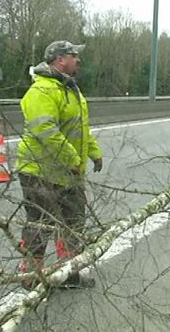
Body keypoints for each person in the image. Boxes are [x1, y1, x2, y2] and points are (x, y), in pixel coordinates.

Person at [15, 40, 103, 290]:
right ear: (60, 59)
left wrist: (94, 153)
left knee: (73, 224)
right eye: (74, 56)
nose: (79, 60)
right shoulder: (42, 91)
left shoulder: (71, 89)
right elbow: (46, 130)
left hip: (67, 174)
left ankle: (68, 273)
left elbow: (80, 128)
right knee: (40, 225)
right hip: (40, 172)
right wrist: (73, 160)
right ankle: (30, 276)